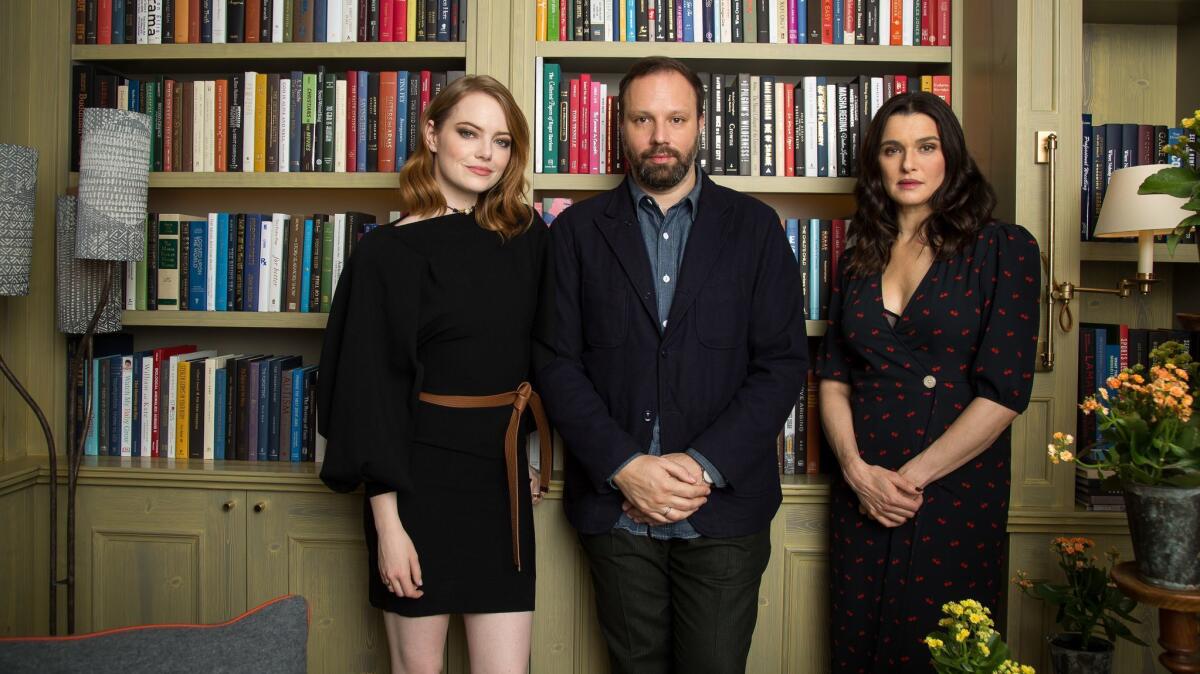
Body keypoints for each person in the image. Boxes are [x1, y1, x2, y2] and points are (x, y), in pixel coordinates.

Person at [535, 56, 809, 674]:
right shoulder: (575, 233)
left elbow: (782, 364)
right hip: (616, 511)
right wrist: (625, 466)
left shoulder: (757, 229)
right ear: (620, 128)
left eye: (676, 118)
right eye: (643, 119)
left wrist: (697, 466)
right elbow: (556, 364)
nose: (660, 135)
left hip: (725, 508)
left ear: (701, 125)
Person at [317, 75, 552, 674]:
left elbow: (540, 353)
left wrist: (525, 448)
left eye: (501, 142)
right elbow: (367, 397)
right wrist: (388, 527)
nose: (484, 154)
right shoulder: (384, 254)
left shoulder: (529, 238)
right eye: (468, 134)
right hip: (413, 489)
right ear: (431, 134)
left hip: (499, 486)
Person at [816, 91, 1041, 673]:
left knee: (942, 653)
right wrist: (858, 473)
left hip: (950, 492)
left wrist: (910, 480)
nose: (908, 164)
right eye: (892, 150)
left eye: (925, 147)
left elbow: (1005, 392)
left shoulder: (1003, 248)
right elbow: (834, 378)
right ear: (875, 163)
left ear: (952, 159)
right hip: (862, 492)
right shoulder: (859, 255)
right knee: (858, 650)